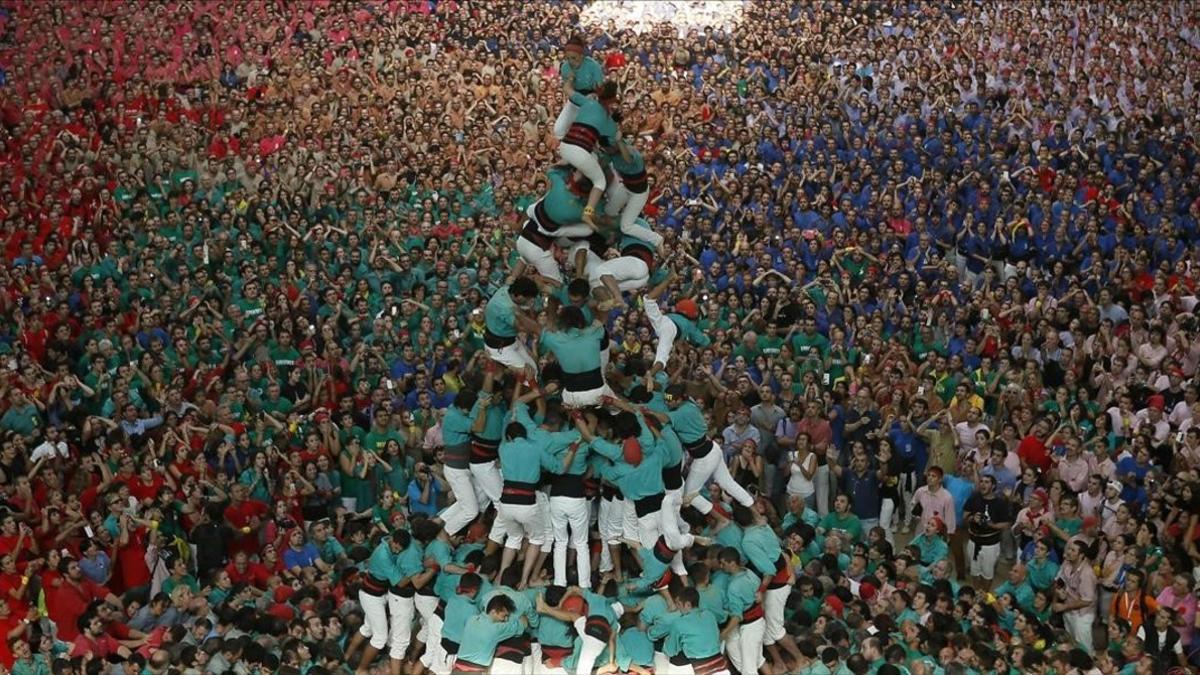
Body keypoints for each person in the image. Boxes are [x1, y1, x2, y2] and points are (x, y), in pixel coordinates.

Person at [452, 595, 527, 673]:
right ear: (493, 611)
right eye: (504, 616)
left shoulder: (471, 619)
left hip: (457, 669)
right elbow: (523, 623)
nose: (505, 620)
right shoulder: (496, 629)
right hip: (476, 672)